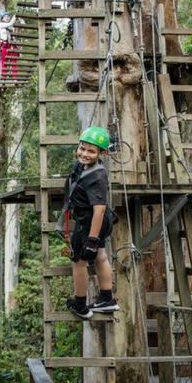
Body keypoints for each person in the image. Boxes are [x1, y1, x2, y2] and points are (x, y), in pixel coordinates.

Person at [61, 127, 120, 319]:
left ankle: (80, 305)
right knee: (101, 257)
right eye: (82, 148)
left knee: (78, 262)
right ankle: (106, 299)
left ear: (102, 153)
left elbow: (99, 210)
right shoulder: (84, 166)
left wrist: (92, 240)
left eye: (91, 151)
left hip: (90, 225)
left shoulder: (96, 177)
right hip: (98, 223)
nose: (85, 154)